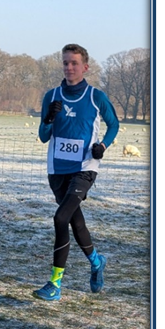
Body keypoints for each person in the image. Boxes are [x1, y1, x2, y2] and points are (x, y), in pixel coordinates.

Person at [33, 43, 120, 301]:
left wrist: (102, 145)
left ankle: (55, 284)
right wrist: (48, 119)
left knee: (61, 218)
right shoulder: (52, 96)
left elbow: (114, 124)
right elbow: (42, 136)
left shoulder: (96, 97)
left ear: (85, 67)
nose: (69, 68)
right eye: (65, 63)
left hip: (84, 168)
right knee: (74, 220)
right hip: (57, 169)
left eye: (74, 63)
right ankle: (96, 262)